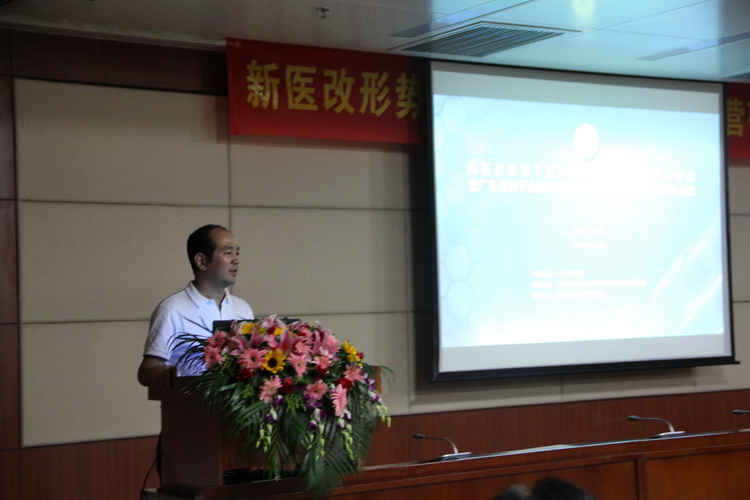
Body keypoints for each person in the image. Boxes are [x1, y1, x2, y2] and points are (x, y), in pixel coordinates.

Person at [137, 224, 254, 392]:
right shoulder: (172, 310)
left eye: (237, 252)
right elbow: (146, 371)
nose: (236, 260)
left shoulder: (243, 309)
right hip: (188, 405)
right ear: (201, 261)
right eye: (228, 253)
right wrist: (163, 374)